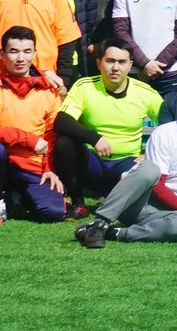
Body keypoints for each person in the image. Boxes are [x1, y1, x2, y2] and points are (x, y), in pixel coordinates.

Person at [72, 87, 177, 248]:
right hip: (137, 204)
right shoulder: (165, 133)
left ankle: (116, 233)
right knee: (149, 168)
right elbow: (156, 186)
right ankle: (98, 224)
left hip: (175, 214)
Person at [0, 25, 68, 224]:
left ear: (35, 53)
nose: (20, 58)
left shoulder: (48, 89)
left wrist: (49, 168)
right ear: (2, 54)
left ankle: (16, 197)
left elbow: (51, 134)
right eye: (14, 51)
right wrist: (29, 139)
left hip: (32, 162)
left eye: (26, 51)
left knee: (53, 213)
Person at [54, 41, 165, 207]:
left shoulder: (145, 92)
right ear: (99, 63)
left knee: (145, 170)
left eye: (122, 62)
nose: (115, 68)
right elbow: (62, 121)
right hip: (91, 164)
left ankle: (118, 201)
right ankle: (78, 204)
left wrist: (149, 154)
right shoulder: (85, 86)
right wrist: (95, 138)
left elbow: (169, 126)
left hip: (127, 164)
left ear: (130, 65)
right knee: (64, 143)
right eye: (110, 61)